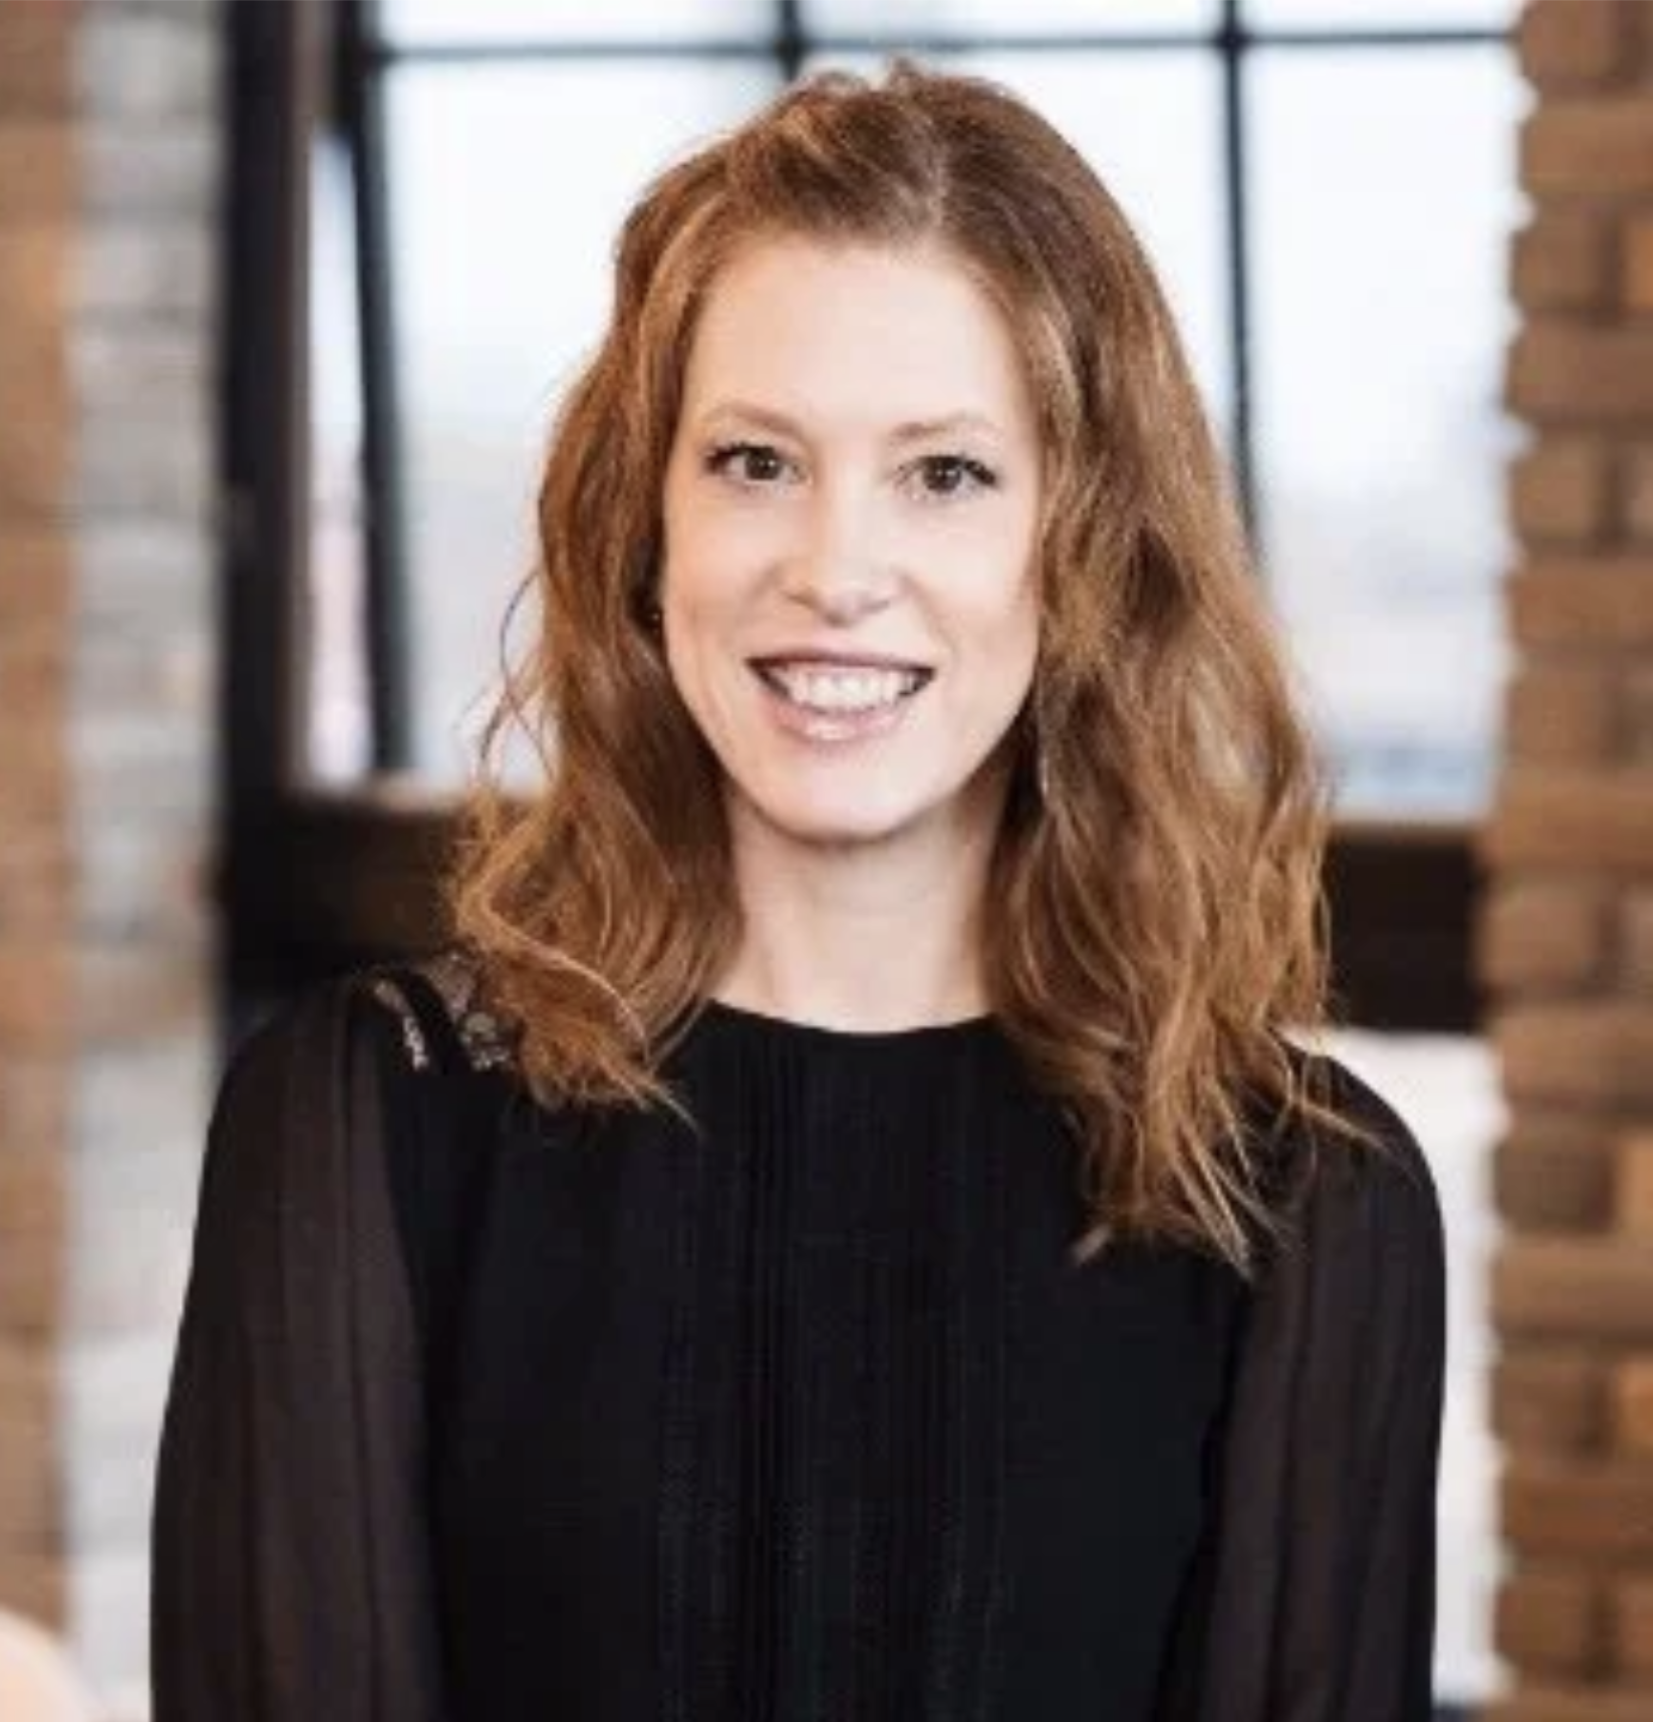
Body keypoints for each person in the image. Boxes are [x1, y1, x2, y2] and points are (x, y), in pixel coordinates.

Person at [151, 62, 1445, 1721]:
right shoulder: (369, 1123)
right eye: (755, 461)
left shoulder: (1299, 1206)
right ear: (646, 527)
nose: (833, 570)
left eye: (946, 474)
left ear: (1086, 549)